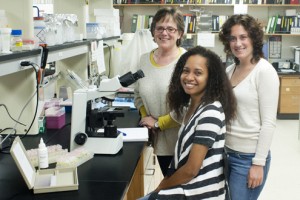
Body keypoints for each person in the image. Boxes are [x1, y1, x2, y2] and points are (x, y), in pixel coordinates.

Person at [139, 46, 237, 200]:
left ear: (210, 78)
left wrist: (160, 187)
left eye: (198, 73)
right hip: (188, 187)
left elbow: (191, 170)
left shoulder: (210, 112)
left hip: (198, 192)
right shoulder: (191, 107)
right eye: (186, 71)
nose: (189, 77)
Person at [219, 14, 280, 200]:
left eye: (243, 37)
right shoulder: (229, 70)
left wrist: (258, 164)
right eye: (233, 38)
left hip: (248, 159)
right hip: (226, 153)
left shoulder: (265, 71)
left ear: (253, 38)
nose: (238, 43)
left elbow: (269, 122)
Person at [134, 7, 186, 176]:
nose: (165, 33)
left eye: (171, 29)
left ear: (179, 33)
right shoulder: (143, 60)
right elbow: (137, 94)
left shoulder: (187, 61)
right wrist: (144, 116)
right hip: (161, 144)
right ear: (153, 32)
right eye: (160, 28)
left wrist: (158, 123)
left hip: (184, 142)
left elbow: (190, 105)